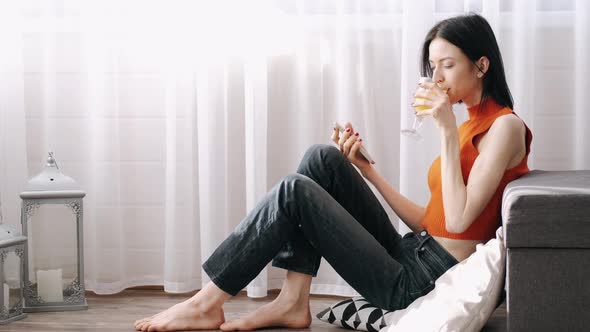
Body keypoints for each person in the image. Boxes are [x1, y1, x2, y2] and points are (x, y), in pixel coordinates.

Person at [134, 13, 532, 332]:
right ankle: (293, 300)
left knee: (293, 190)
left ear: (481, 65)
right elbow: (435, 221)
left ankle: (207, 302)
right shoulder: (467, 125)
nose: (437, 78)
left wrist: (444, 129)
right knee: (322, 158)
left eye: (448, 65)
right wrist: (366, 172)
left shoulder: (505, 128)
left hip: (419, 282)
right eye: (432, 67)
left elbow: (461, 220)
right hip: (415, 249)